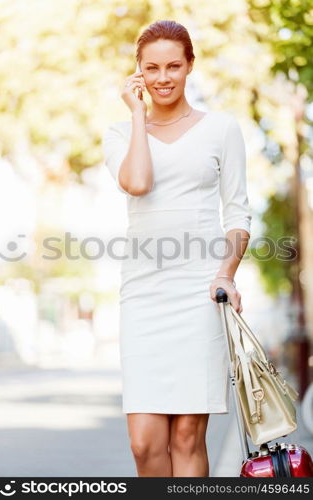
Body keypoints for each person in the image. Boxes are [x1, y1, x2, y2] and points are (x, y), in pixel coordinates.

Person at [103, 20, 252, 477]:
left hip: (199, 292)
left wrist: (226, 272)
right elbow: (139, 183)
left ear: (190, 66)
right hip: (143, 295)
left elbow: (239, 215)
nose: (163, 77)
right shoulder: (119, 133)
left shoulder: (222, 129)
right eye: (152, 68)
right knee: (144, 445)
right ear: (138, 73)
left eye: (173, 66)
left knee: (188, 435)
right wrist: (136, 115)